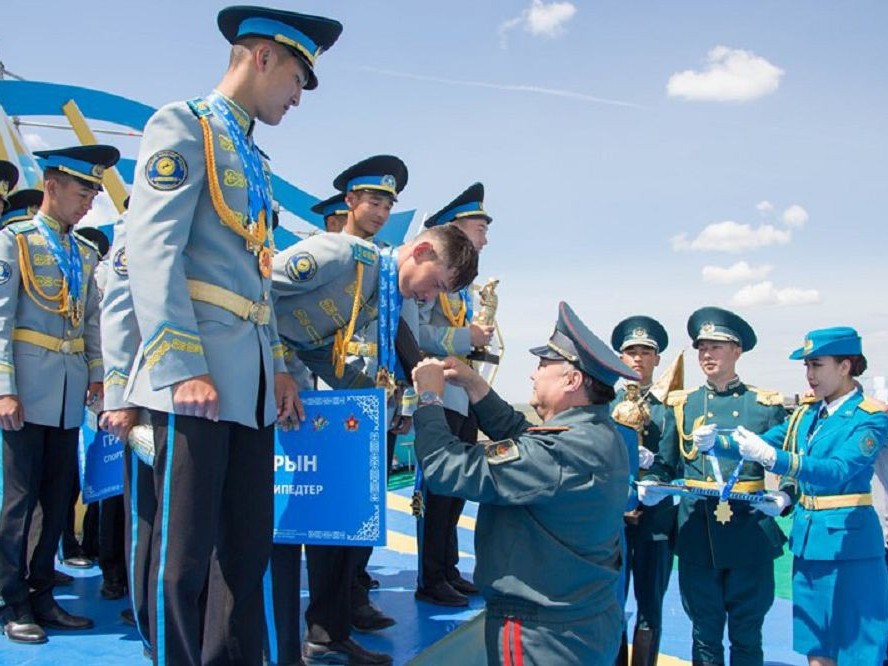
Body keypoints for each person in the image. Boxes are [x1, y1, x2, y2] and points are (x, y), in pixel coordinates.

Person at [122, 7, 342, 664]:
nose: (298, 97)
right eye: (297, 79)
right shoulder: (182, 125)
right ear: (263, 57)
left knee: (245, 554)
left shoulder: (253, 158)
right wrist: (182, 364)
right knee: (183, 560)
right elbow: (153, 251)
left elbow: (259, 278)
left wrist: (279, 368)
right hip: (196, 378)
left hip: (249, 384)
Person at [273, 156, 479, 666]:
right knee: (291, 529)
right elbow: (256, 295)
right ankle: (283, 640)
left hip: (331, 410)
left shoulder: (380, 287)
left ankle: (328, 633)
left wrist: (369, 396)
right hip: (275, 396)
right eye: (435, 284)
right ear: (423, 250)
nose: (429, 296)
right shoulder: (340, 255)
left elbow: (320, 346)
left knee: (344, 522)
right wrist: (278, 368)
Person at [411, 301, 638, 664]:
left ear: (572, 380)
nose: (533, 375)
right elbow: (523, 434)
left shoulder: (560, 452)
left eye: (543, 365)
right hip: (583, 621)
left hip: (541, 636)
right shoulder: (595, 433)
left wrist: (428, 397)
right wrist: (473, 383)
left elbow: (445, 467)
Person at [0, 144, 115, 644]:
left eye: (93, 193)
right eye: (82, 192)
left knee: (55, 499)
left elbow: (90, 321)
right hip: (25, 390)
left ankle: (43, 593)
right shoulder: (15, 242)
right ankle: (14, 602)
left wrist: (96, 374)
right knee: (19, 502)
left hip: (68, 394)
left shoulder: (83, 252)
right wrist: (4, 390)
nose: (89, 202)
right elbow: (1, 320)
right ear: (51, 186)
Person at [729, 327, 888, 664]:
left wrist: (775, 459)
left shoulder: (869, 418)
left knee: (859, 649)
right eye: (807, 366)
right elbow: (762, 441)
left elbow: (837, 470)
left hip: (850, 546)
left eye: (817, 365)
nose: (809, 375)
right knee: (817, 645)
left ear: (845, 366)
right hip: (809, 542)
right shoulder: (807, 414)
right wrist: (715, 441)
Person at [639, 306, 787, 666]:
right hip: (698, 531)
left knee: (747, 634)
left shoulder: (764, 405)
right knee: (704, 634)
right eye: (702, 348)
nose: (707, 355)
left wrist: (786, 496)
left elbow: (789, 462)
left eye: (716, 347)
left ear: (737, 350)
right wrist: (653, 482)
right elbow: (666, 463)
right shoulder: (683, 405)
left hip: (749, 530)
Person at [412, 182, 493, 608]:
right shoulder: (433, 279)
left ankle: (447, 569)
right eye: (480, 229)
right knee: (436, 492)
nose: (485, 239)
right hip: (437, 395)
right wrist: (466, 337)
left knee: (455, 493)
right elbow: (416, 332)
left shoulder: (465, 289)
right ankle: (430, 577)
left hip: (462, 396)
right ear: (455, 229)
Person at [609, 316, 675, 666]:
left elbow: (675, 460)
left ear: (656, 359)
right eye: (631, 351)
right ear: (620, 358)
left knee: (650, 606)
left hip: (655, 520)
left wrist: (655, 473)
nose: (638, 358)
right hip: (612, 520)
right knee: (612, 602)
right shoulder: (607, 403)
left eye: (645, 352)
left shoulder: (670, 407)